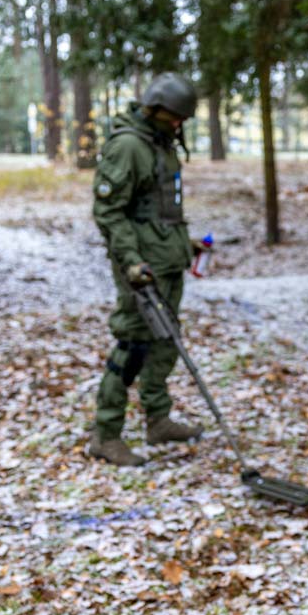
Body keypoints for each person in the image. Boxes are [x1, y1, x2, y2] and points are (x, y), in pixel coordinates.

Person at [90, 72, 207, 466]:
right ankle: (105, 435)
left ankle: (157, 420)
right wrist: (131, 261)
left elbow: (155, 210)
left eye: (181, 120)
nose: (178, 125)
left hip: (166, 262)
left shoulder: (161, 145)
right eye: (174, 117)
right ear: (156, 108)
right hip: (139, 267)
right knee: (132, 346)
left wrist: (180, 243)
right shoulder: (128, 147)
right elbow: (110, 212)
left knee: (164, 342)